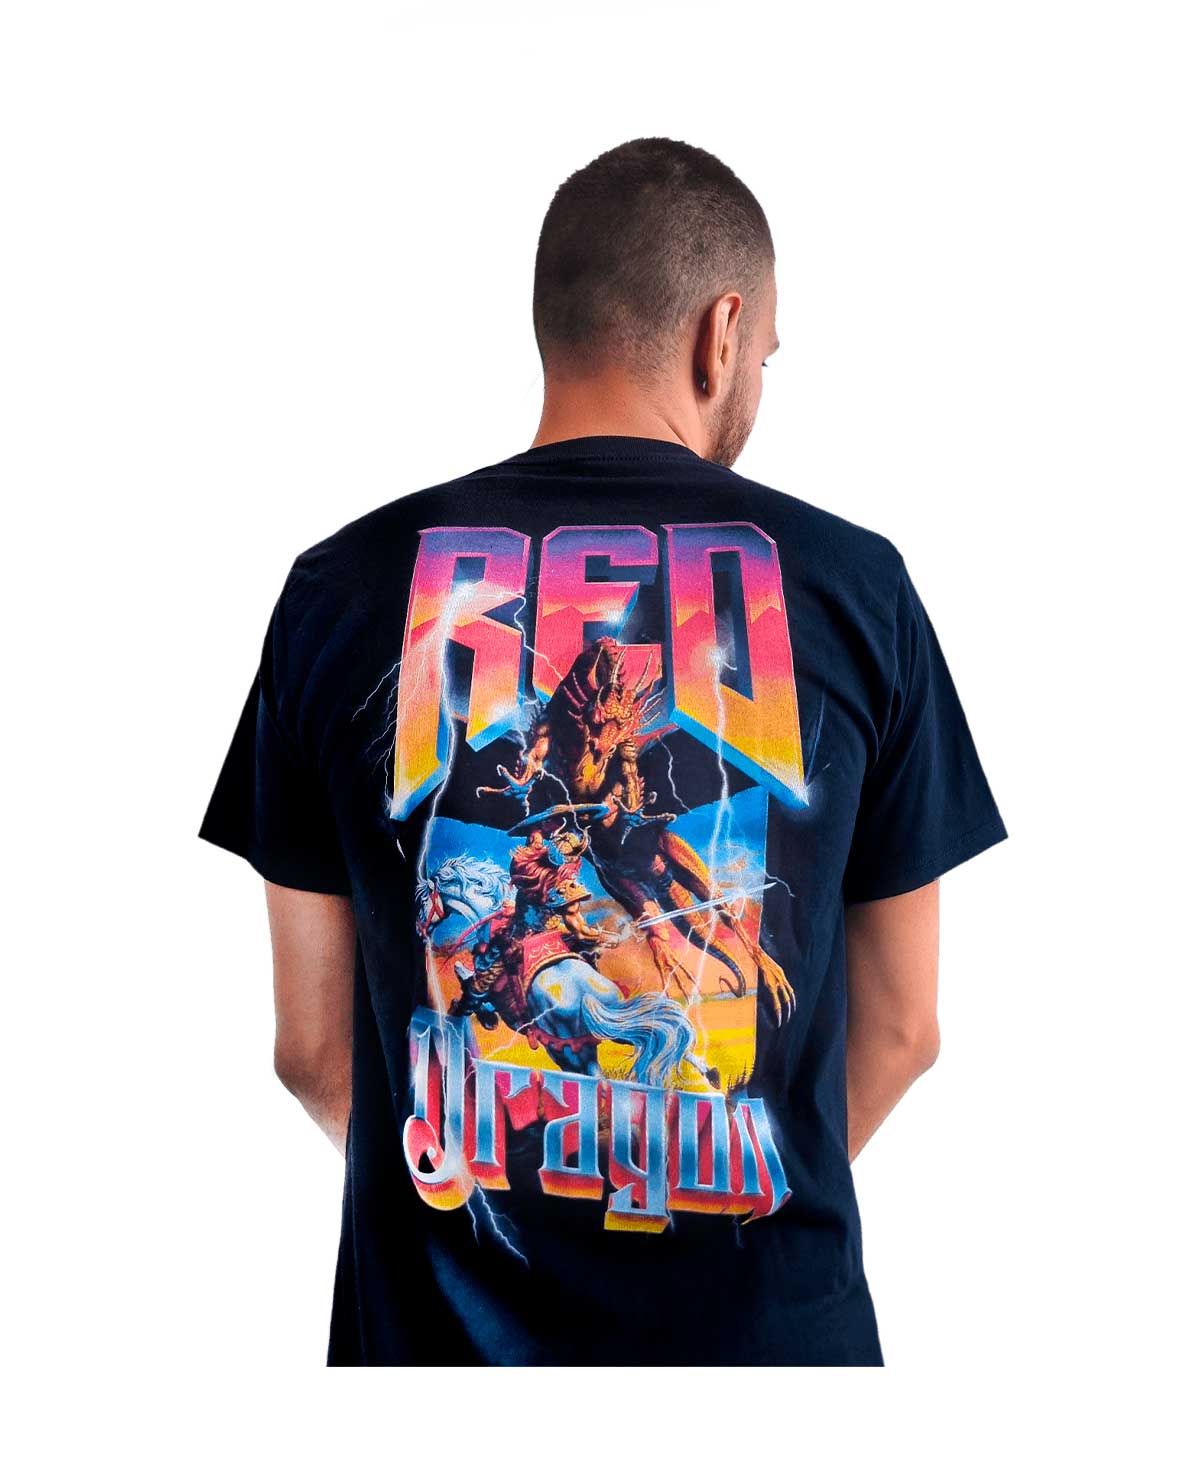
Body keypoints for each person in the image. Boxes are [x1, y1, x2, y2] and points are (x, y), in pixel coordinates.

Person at [200, 137, 1006, 1366]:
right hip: (773, 1361)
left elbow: (312, 1050)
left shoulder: (340, 586)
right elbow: (903, 1027)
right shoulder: (856, 586)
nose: (756, 376)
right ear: (720, 335)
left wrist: (504, 1171)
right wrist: (705, 1170)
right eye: (766, 354)